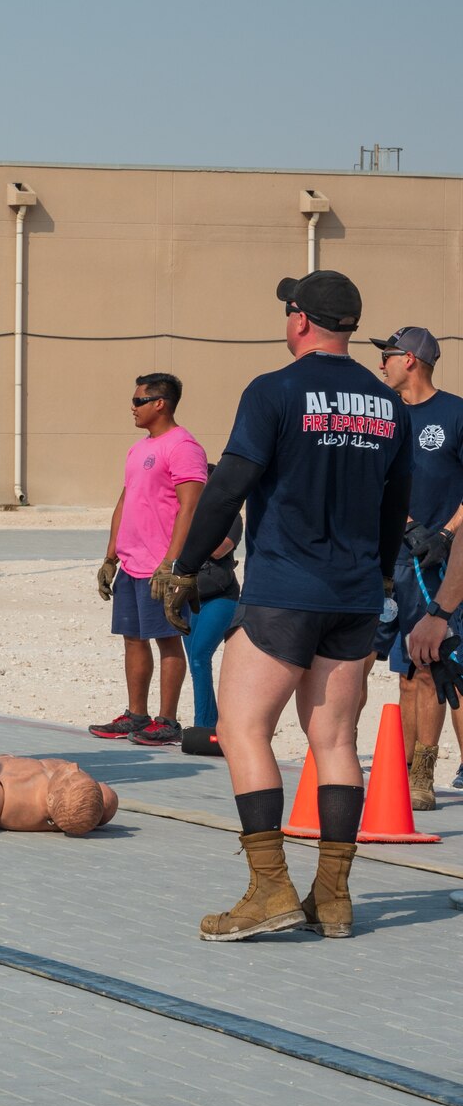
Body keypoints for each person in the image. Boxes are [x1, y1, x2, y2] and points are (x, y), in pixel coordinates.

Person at [157, 271, 409, 941]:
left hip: (284, 591)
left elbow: (229, 484)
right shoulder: (389, 405)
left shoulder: (274, 390)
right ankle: (333, 896)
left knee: (242, 727)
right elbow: (393, 507)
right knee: (335, 741)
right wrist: (380, 580)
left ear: (300, 320)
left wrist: (184, 566)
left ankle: (269, 886)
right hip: (355, 594)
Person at [362, 327, 463, 810]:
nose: (382, 363)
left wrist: (445, 532)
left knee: (430, 667)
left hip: (441, 561)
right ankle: (398, 774)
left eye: (389, 355)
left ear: (413, 360)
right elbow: (371, 480)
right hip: (390, 557)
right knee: (399, 670)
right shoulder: (382, 415)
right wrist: (404, 525)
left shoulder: (455, 412)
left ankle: (423, 774)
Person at [91, 374, 206, 746]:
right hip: (132, 563)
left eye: (138, 400)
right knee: (133, 638)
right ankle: (136, 715)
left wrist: (172, 563)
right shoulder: (139, 449)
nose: (132, 407)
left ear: (160, 403)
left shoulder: (184, 446)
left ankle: (167, 720)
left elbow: (191, 508)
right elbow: (125, 501)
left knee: (168, 639)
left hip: (161, 567)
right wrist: (110, 556)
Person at [179, 464, 243, 747]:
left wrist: (189, 534)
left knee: (199, 656)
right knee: (194, 661)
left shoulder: (230, 516)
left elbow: (220, 548)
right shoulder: (186, 514)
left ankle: (204, 726)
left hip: (220, 597)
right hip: (188, 598)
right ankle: (214, 726)